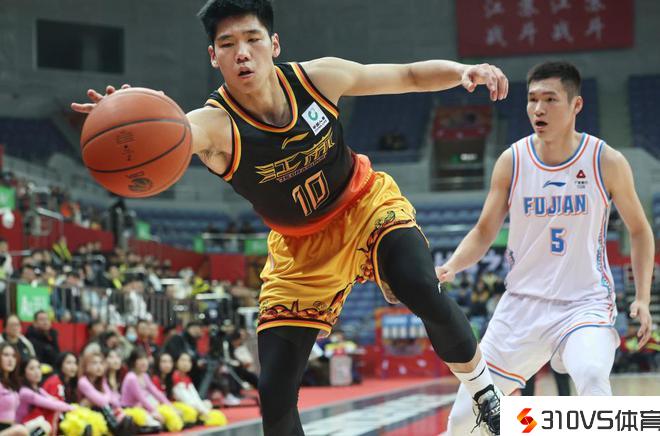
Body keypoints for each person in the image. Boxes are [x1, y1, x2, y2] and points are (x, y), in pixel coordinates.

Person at [72, 1, 509, 434]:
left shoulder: (318, 79)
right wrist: (124, 122)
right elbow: (173, 132)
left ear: (274, 44)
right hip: (300, 249)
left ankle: (486, 395)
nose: (242, 53)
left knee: (421, 286)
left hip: (364, 205)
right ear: (214, 57)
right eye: (228, 44)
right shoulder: (214, 126)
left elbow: (408, 76)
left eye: (252, 39)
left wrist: (461, 71)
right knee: (275, 392)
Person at [439, 61, 654, 434]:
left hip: (584, 303)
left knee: (592, 379)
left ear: (576, 105)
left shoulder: (605, 161)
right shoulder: (513, 160)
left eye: (550, 99)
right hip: (522, 306)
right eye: (532, 99)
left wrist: (643, 298)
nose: (538, 109)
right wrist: (452, 265)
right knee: (462, 421)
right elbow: (484, 230)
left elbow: (639, 230)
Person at [0, 344, 28, 436]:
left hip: (11, 427)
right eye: (6, 355)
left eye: (13, 356)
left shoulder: (12, 384)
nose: (10, 359)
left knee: (42, 425)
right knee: (21, 430)